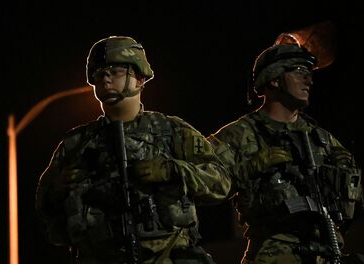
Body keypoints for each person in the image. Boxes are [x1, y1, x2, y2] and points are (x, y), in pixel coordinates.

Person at [35, 36, 232, 264]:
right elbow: (45, 209)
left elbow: (220, 181)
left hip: (168, 255)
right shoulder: (77, 143)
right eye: (99, 75)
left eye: (115, 72)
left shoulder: (171, 131)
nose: (106, 80)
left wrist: (172, 171)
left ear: (139, 79)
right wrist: (64, 188)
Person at [211, 39, 364, 263]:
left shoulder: (321, 138)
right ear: (274, 79)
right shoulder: (240, 135)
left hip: (327, 247)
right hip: (276, 250)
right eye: (299, 71)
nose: (309, 80)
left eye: (309, 72)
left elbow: (353, 196)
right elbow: (206, 185)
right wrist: (251, 167)